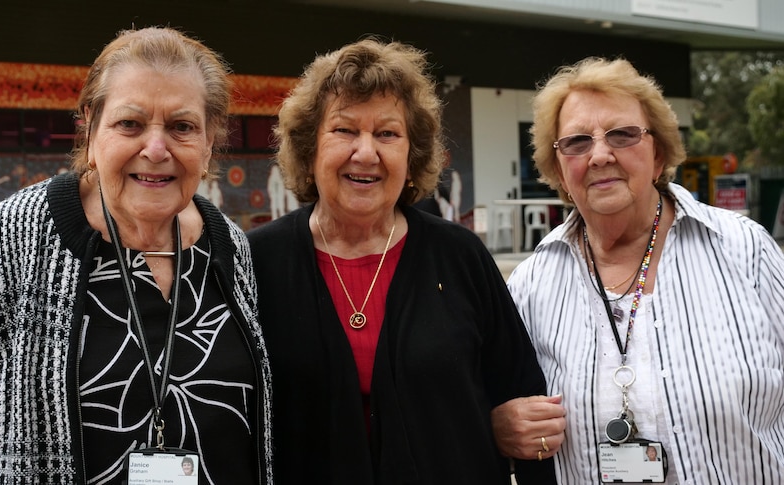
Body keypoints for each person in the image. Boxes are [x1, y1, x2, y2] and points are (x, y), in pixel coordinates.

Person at [0, 27, 272, 484]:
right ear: (90, 127)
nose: (156, 148)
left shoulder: (229, 245)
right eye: (130, 124)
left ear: (209, 143)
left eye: (182, 127)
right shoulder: (13, 235)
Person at [247, 37, 561, 484]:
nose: (366, 152)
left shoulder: (459, 256)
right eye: (344, 130)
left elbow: (523, 403)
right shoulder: (257, 262)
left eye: (387, 134)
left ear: (411, 157)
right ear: (309, 147)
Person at [507, 56, 784, 484]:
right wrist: (502, 425)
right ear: (560, 170)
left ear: (658, 155)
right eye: (577, 142)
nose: (599, 155)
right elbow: (504, 405)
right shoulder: (531, 284)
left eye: (622, 134)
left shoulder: (745, 250)